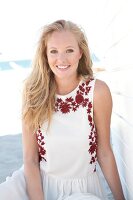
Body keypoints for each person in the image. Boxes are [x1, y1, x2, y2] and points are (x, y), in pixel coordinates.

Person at [0, 19, 125, 200]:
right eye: (53, 51)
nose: (61, 59)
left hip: (82, 189)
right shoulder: (33, 92)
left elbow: (104, 152)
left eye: (69, 50)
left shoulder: (97, 92)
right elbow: (30, 159)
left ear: (80, 53)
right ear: (45, 55)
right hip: (38, 183)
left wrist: (120, 197)